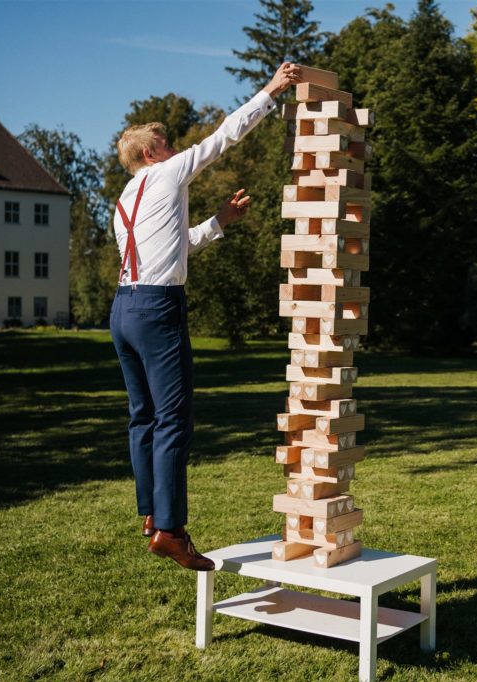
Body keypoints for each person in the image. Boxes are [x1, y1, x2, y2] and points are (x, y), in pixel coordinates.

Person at [110, 62, 301, 571]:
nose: (175, 148)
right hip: (155, 309)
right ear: (151, 153)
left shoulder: (125, 201)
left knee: (143, 418)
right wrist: (270, 91)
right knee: (174, 419)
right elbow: (224, 137)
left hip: (123, 309)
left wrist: (218, 222)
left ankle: (151, 514)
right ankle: (171, 530)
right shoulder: (167, 172)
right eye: (167, 142)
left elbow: (174, 249)